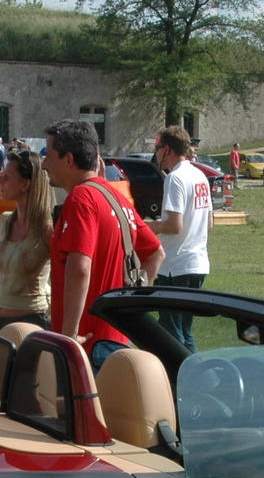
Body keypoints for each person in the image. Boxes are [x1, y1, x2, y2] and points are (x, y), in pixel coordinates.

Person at [42, 118, 163, 372]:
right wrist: (128, 308)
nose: (44, 164)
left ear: (69, 159)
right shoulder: (115, 196)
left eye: (49, 156)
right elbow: (155, 254)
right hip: (118, 339)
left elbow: (79, 268)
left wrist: (68, 337)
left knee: (80, 412)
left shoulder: (81, 197)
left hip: (88, 346)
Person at [146, 125, 212, 352]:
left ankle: (183, 382)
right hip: (198, 264)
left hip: (175, 266)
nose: (156, 154)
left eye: (157, 148)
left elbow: (174, 225)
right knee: (184, 331)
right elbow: (209, 224)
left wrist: (148, 226)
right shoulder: (200, 175)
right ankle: (194, 379)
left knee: (171, 336)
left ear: (167, 149)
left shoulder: (174, 178)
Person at [0, 147, 53, 335]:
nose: (0, 180)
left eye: (7, 176)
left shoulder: (47, 230)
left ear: (25, 184)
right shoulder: (3, 221)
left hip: (30, 323)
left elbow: (63, 285)